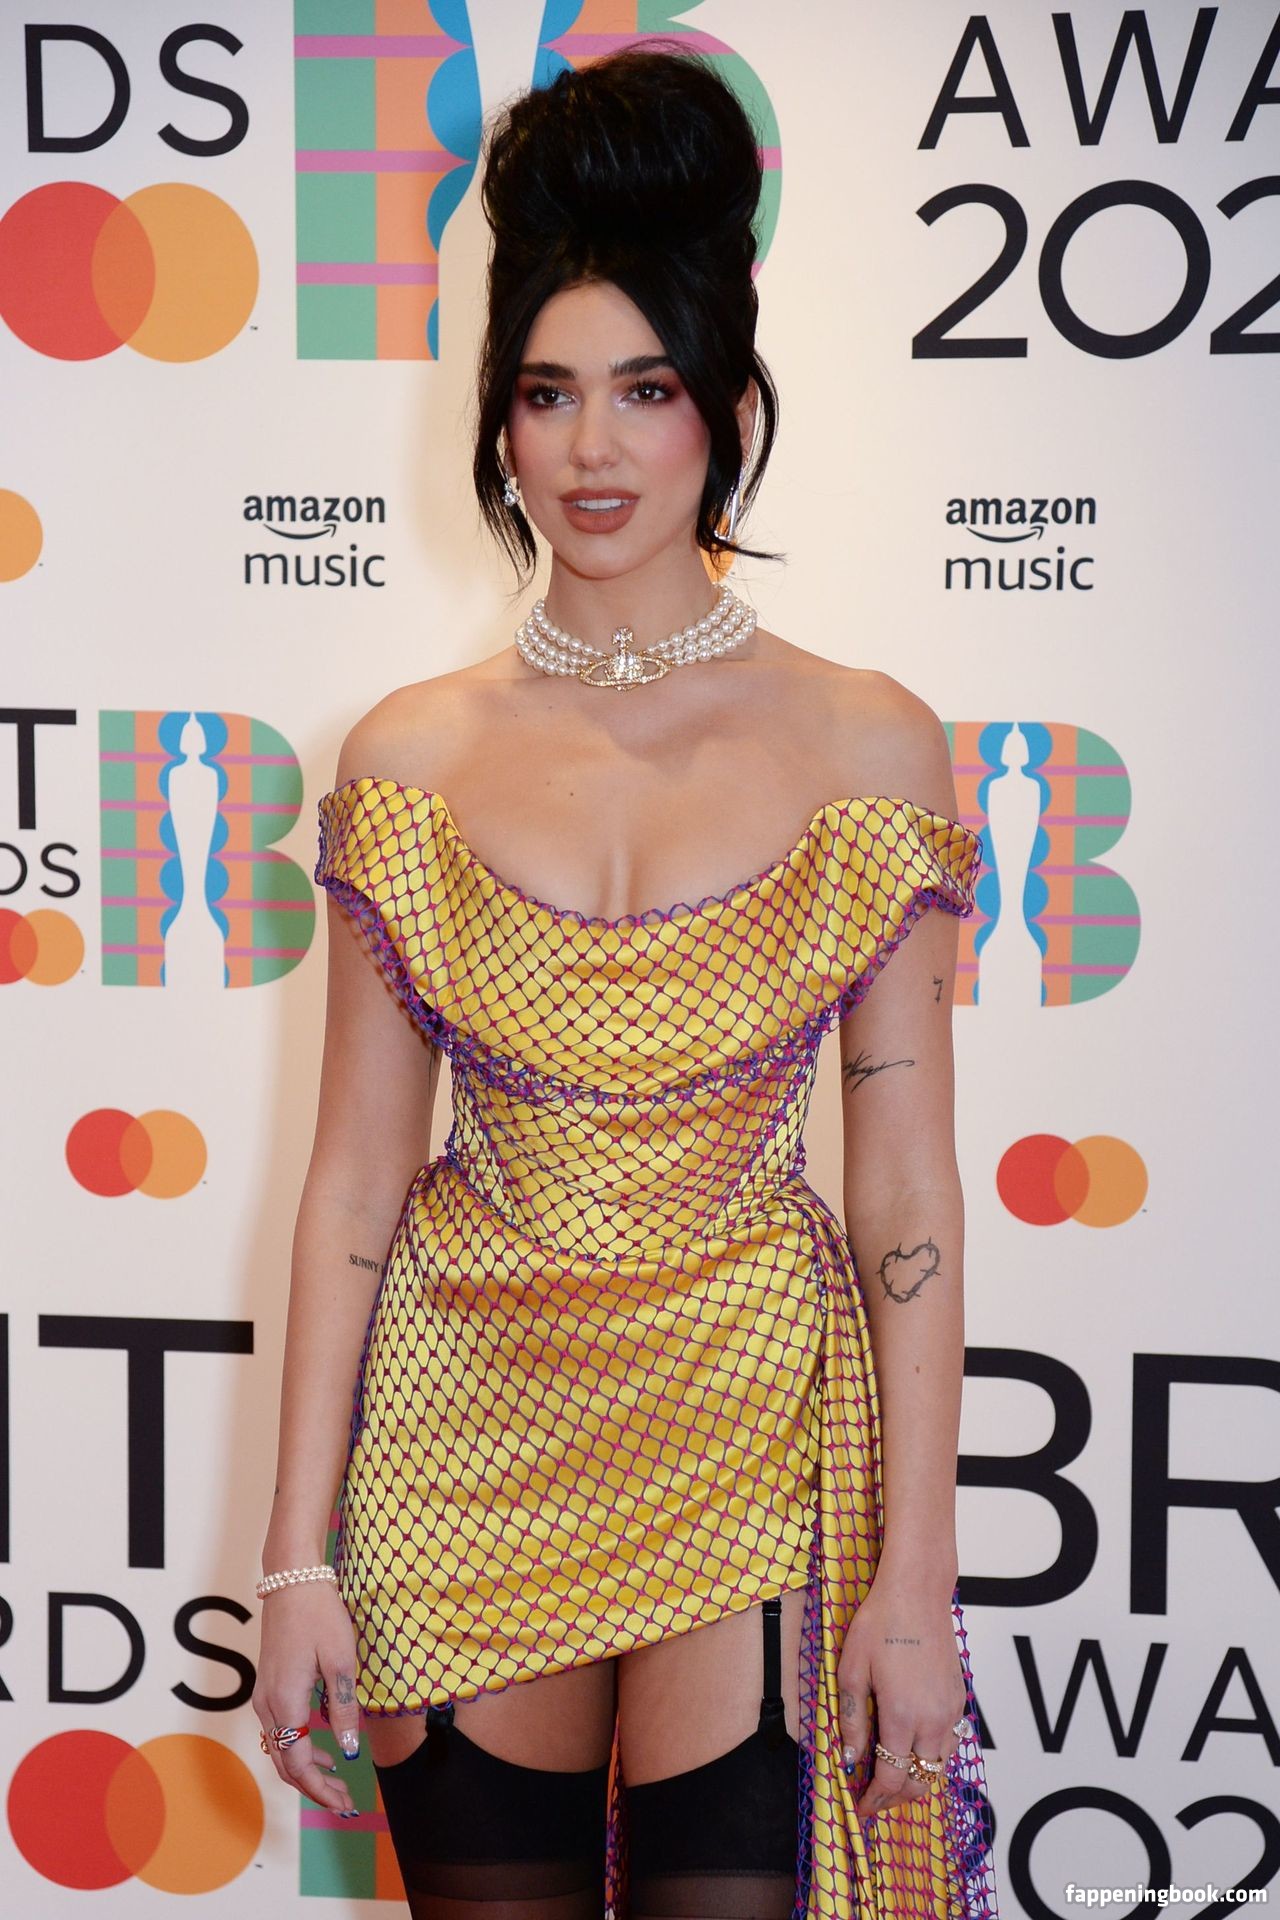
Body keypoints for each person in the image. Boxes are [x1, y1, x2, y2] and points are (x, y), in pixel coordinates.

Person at [253, 46, 999, 1920]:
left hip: (748, 1413)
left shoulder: (867, 742)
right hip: (461, 1425)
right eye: (548, 394)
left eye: (645, 391)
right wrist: (293, 1561)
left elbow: (905, 1188)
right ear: (499, 426)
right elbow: (351, 1182)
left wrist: (916, 1576)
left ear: (726, 413)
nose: (592, 449)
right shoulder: (410, 755)